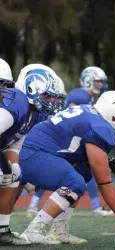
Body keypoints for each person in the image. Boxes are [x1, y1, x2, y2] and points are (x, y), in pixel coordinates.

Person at [19, 91, 115, 244]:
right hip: (35, 155)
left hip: (34, 151)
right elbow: (105, 184)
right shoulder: (101, 127)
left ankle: (59, 231)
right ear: (114, 117)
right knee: (75, 182)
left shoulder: (88, 110)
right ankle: (35, 230)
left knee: (84, 171)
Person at [0, 61, 58, 245]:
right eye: (47, 96)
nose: (4, 91)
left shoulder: (32, 112)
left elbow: (14, 143)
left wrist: (15, 164)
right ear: (32, 88)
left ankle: (2, 231)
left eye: (5, 85)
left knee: (13, 175)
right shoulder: (17, 102)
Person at [26, 75, 67, 218]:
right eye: (48, 96)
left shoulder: (43, 115)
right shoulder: (23, 111)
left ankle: (32, 205)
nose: (54, 102)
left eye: (58, 98)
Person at [79, 66, 114, 217]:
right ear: (88, 80)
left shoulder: (91, 97)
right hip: (74, 140)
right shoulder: (80, 95)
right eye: (98, 81)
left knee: (88, 173)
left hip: (81, 139)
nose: (101, 84)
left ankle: (96, 207)